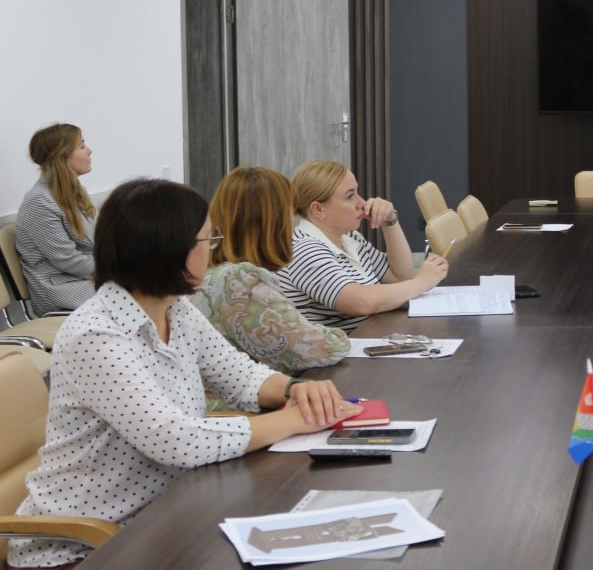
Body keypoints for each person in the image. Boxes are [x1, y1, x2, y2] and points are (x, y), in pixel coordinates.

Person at [8, 179, 360, 569]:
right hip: (83, 547)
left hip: (163, 519)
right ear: (169, 250)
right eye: (207, 239)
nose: (212, 249)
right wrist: (293, 420)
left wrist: (295, 390)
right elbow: (175, 440)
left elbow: (241, 376)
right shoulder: (95, 336)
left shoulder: (177, 309)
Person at [191, 166, 350, 374]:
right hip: (255, 394)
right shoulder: (239, 281)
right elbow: (318, 348)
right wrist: (336, 336)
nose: (294, 223)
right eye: (290, 212)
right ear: (273, 222)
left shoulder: (210, 273)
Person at [277, 160, 449, 331]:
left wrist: (390, 220)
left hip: (371, 337)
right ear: (318, 210)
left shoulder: (348, 237)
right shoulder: (304, 249)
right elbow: (360, 302)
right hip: (344, 347)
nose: (362, 203)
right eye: (350, 196)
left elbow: (401, 277)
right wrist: (422, 282)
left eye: (357, 193)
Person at [15, 124, 97, 316]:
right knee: (147, 291)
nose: (89, 150)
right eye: (82, 146)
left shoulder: (74, 191)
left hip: (85, 279)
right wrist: (120, 268)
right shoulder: (39, 202)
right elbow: (70, 262)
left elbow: (94, 243)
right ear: (62, 157)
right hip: (62, 291)